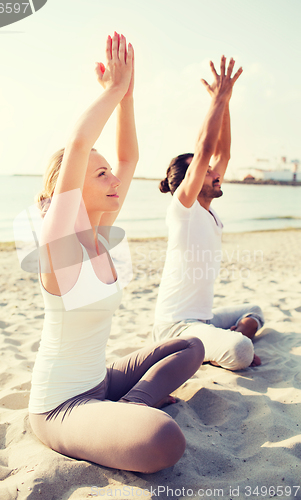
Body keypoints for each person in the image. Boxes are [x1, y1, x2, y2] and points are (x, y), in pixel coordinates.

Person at [28, 33, 204, 474]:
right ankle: (133, 410)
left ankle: (132, 402)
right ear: (72, 188)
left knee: (190, 346)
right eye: (100, 173)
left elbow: (129, 156)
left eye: (111, 173)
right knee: (163, 439)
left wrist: (127, 96)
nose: (114, 179)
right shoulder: (59, 242)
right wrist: (109, 90)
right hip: (59, 407)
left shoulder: (100, 232)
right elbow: (80, 143)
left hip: (100, 381)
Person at [153, 56, 264, 371]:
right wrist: (215, 100)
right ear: (187, 182)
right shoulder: (182, 210)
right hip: (176, 326)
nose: (215, 171)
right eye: (204, 170)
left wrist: (225, 101)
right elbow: (204, 150)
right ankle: (222, 345)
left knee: (254, 310)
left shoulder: (207, 210)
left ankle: (219, 340)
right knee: (242, 350)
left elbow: (222, 152)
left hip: (202, 319)